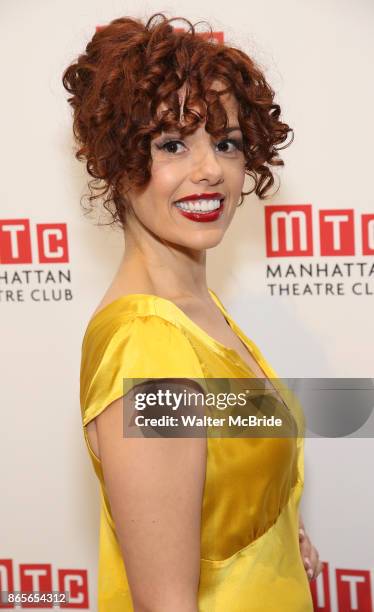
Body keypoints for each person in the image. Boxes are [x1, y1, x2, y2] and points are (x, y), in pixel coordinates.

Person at [63, 12, 322, 611]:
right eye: (172, 143)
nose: (210, 169)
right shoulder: (148, 346)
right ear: (117, 162)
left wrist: (275, 534)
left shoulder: (196, 308)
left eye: (226, 143)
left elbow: (221, 471)